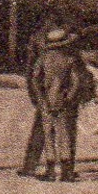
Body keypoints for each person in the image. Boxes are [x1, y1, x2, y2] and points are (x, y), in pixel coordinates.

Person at [28, 26, 94, 182]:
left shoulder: (43, 59)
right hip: (62, 102)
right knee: (64, 136)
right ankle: (66, 172)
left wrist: (40, 97)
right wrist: (69, 98)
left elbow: (35, 79)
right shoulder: (69, 60)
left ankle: (50, 171)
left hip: (46, 102)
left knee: (49, 135)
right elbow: (76, 82)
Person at [18, 9, 65, 177]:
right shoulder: (65, 37)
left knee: (42, 127)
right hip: (59, 91)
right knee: (61, 129)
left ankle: (32, 166)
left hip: (45, 90)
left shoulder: (38, 38)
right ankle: (65, 169)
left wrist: (33, 90)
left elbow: (31, 69)